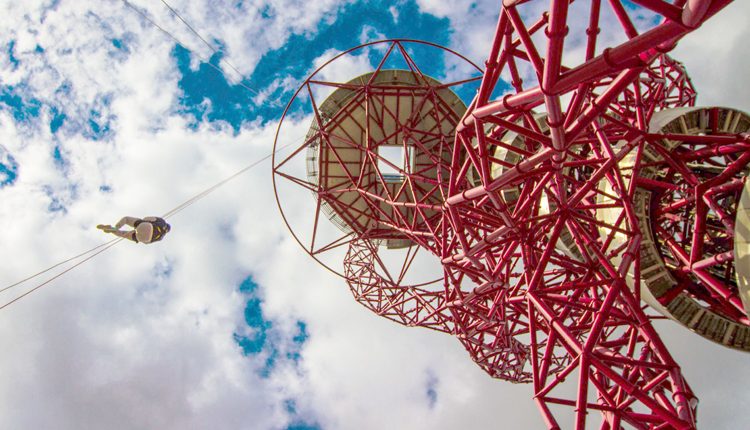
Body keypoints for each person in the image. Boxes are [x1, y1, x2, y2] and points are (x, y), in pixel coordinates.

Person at [97, 216, 171, 244]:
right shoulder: (161, 237)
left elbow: (146, 218)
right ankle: (113, 230)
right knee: (123, 234)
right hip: (144, 239)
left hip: (147, 226)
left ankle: (116, 227)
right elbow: (147, 243)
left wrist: (140, 224)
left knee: (126, 219)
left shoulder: (162, 221)